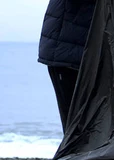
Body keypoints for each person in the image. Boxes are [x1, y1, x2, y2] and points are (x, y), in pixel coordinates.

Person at [38, 0, 96, 134]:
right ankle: (73, 153)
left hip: (82, 54)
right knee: (74, 124)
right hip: (65, 54)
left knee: (87, 122)